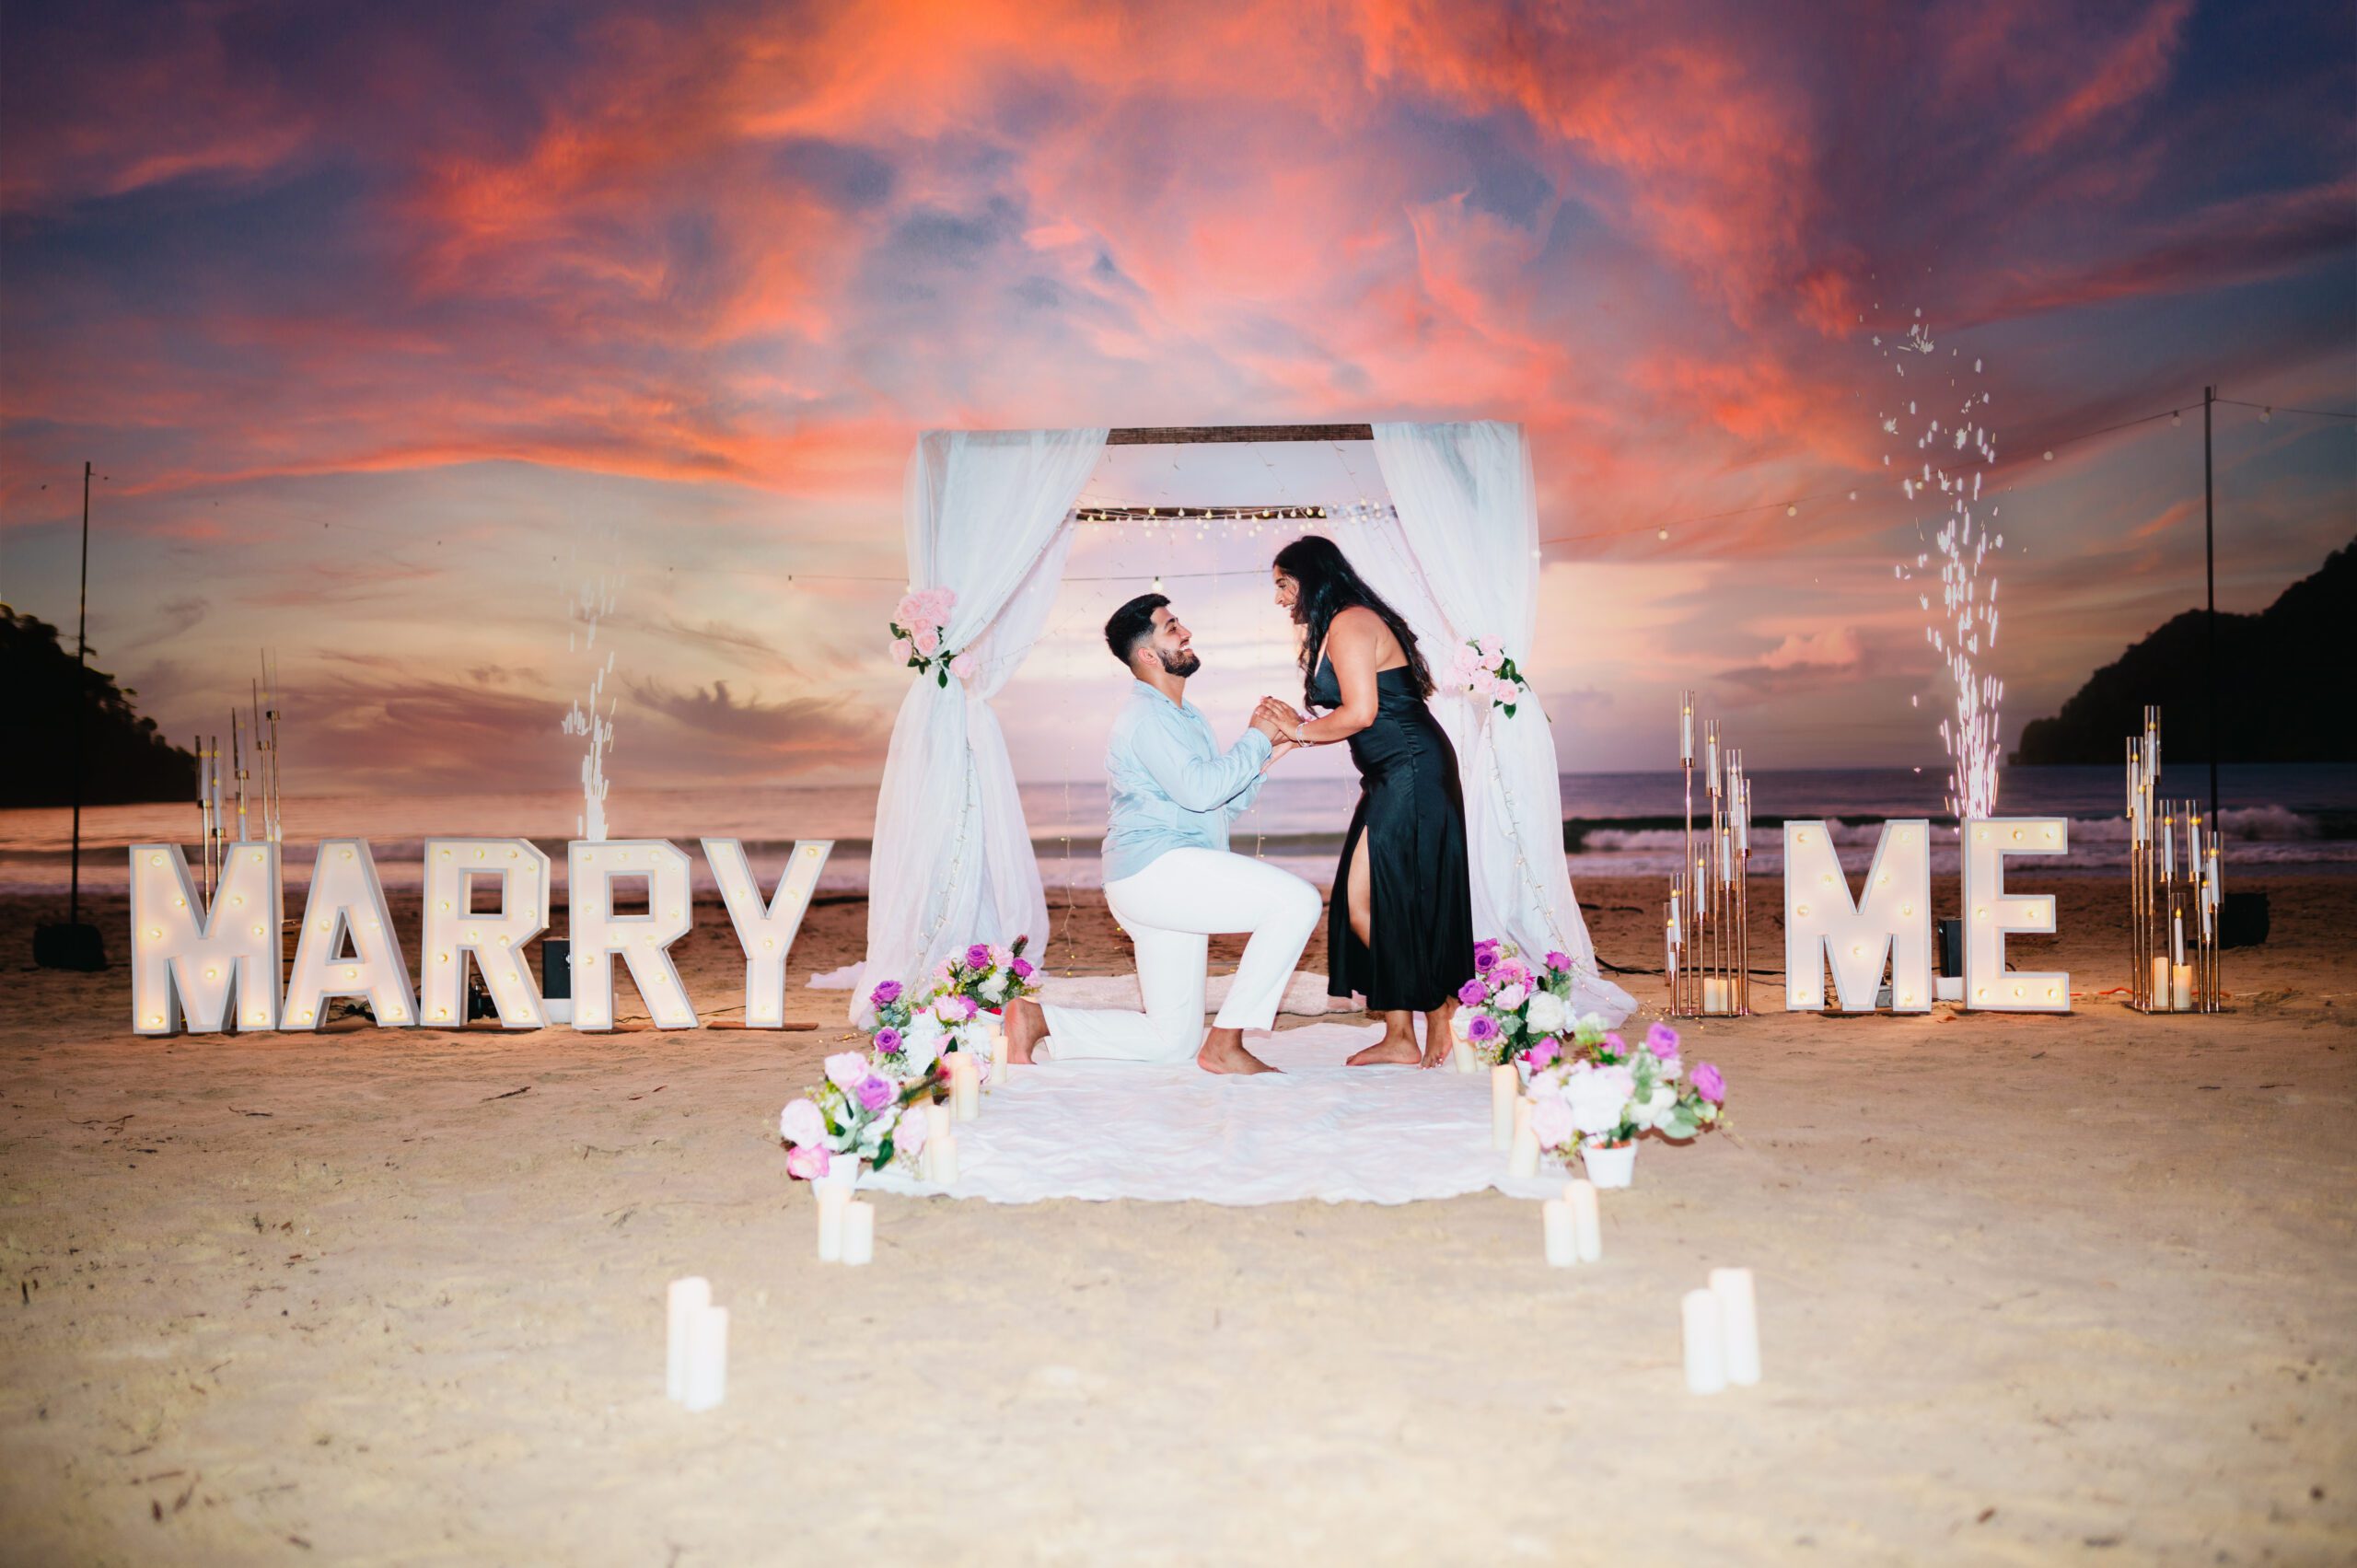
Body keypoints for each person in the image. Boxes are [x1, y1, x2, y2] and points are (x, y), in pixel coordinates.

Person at [1000, 594, 1321, 1074]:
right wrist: (1255, 735)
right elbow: (1200, 790)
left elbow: (1217, 806)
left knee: (1171, 1042)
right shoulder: (1147, 717)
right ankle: (1227, 1042)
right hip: (1157, 871)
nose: (1186, 632)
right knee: (1298, 902)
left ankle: (1037, 1020)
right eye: (1172, 628)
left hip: (1162, 879)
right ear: (1148, 655)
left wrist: (1276, 747)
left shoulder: (1184, 717)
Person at [1263, 535, 1473, 1068]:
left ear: (1311, 578)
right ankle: (1399, 1034)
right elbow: (1351, 717)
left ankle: (1439, 1006)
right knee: (1383, 897)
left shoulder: (1351, 623)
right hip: (1389, 773)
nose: (1279, 597)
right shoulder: (1339, 625)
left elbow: (1359, 714)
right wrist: (1283, 741)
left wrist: (1299, 731)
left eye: (1284, 584)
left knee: (1363, 901)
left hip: (1411, 769)